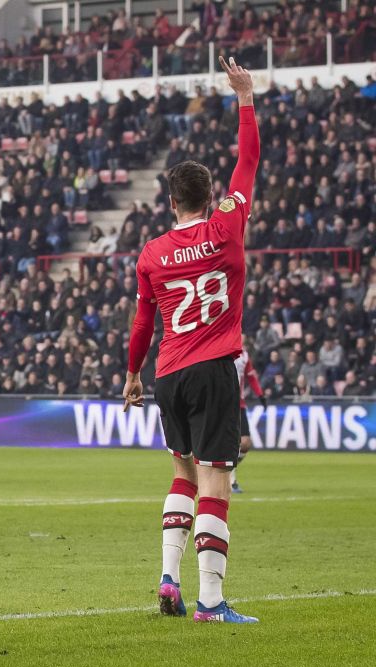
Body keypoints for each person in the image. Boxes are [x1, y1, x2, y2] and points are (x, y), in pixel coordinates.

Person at [123, 57, 259, 624]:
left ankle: (166, 580)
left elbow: (142, 326)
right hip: (212, 369)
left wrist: (132, 375)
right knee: (216, 480)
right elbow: (247, 161)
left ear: (171, 201)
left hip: (167, 374)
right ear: (210, 195)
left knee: (181, 474)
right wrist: (245, 97)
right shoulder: (226, 224)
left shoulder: (152, 252)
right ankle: (209, 602)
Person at [231, 345, 265, 494]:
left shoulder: (244, 355)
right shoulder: (219, 348)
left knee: (245, 443)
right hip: (221, 403)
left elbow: (251, 376)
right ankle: (231, 481)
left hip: (239, 404)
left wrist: (260, 395)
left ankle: (228, 469)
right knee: (228, 443)